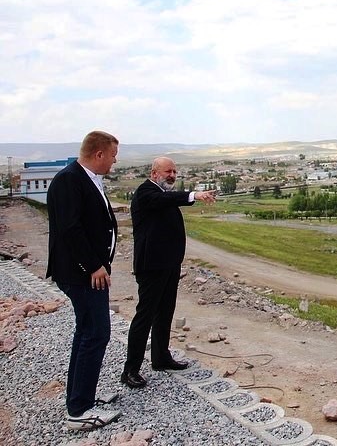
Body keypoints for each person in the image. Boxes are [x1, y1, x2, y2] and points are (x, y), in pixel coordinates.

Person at [46, 130, 121, 430]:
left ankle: (82, 396)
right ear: (99, 154)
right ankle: (78, 411)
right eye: (113, 156)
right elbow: (70, 228)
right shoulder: (69, 180)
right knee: (96, 334)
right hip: (81, 274)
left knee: (86, 332)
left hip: (87, 272)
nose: (115, 162)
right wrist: (93, 266)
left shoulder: (85, 178)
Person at [121, 157, 215, 388]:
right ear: (154, 173)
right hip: (152, 265)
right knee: (145, 316)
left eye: (174, 171)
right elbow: (164, 199)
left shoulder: (162, 193)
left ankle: (161, 357)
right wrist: (194, 195)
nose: (172, 175)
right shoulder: (146, 192)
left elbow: (168, 200)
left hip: (169, 264)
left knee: (165, 312)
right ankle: (130, 369)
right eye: (167, 171)